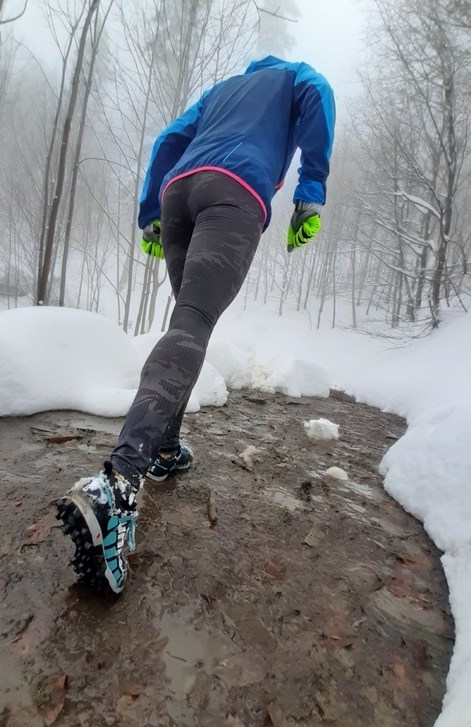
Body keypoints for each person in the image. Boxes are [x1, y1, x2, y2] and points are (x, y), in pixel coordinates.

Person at [56, 55, 336, 595]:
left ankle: (165, 446)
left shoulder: (223, 89)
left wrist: (150, 212)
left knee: (187, 321)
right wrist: (311, 190)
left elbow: (168, 138)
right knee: (194, 320)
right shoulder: (293, 74)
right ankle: (118, 484)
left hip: (180, 190)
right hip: (234, 192)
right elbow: (319, 92)